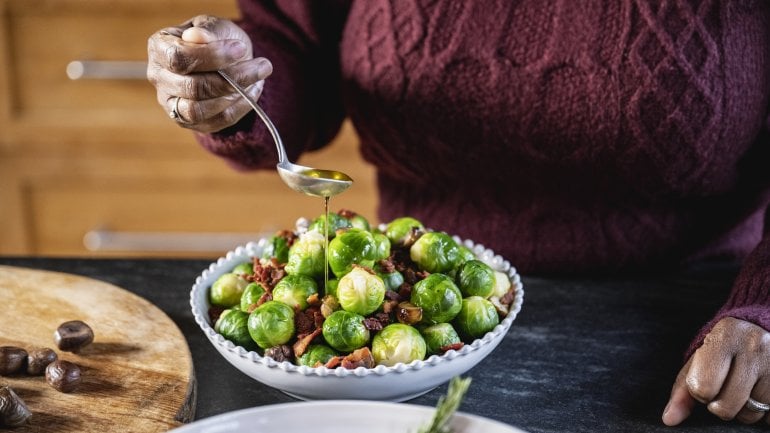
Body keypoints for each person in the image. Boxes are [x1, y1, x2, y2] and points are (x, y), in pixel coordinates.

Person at [147, 1, 770, 426]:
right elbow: (295, 40)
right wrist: (233, 81)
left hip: (690, 326)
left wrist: (764, 303)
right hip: (406, 375)